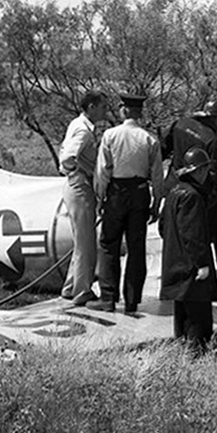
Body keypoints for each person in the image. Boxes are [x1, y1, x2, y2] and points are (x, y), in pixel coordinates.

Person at [89, 94, 163, 313]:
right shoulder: (150, 139)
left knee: (109, 244)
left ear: (125, 111)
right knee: (136, 248)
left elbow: (103, 171)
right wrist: (156, 202)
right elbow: (157, 175)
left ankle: (108, 298)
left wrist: (100, 198)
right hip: (140, 192)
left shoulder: (110, 135)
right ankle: (132, 300)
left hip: (116, 192)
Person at [164, 99, 217, 281]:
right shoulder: (212, 141)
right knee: (201, 233)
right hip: (199, 194)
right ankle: (214, 270)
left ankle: (174, 272)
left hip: (174, 187)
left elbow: (163, 148)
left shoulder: (179, 124)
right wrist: (210, 201)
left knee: (173, 231)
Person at [158, 147, 217, 351]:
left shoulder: (174, 192)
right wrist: (202, 264)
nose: (206, 174)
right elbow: (193, 235)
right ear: (198, 171)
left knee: (182, 316)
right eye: (204, 170)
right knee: (198, 320)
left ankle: (183, 356)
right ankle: (196, 358)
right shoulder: (193, 196)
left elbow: (162, 227)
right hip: (191, 270)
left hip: (175, 264)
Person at [60, 91, 109, 305]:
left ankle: (71, 286)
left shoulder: (78, 125)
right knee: (87, 242)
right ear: (91, 107)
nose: (104, 111)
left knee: (82, 240)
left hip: (75, 185)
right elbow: (68, 157)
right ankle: (82, 291)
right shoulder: (83, 130)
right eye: (102, 106)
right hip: (80, 186)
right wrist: (78, 171)